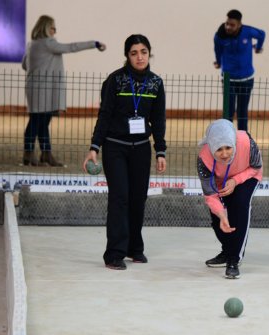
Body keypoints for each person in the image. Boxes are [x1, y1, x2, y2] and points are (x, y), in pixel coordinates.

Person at [82, 34, 167, 270]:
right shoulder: (115, 81)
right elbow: (105, 115)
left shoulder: (156, 84)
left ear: (149, 54)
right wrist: (94, 147)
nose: (139, 57)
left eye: (143, 52)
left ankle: (134, 248)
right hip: (115, 147)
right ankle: (114, 254)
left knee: (138, 199)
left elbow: (158, 120)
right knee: (119, 198)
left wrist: (160, 151)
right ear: (127, 56)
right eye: (134, 53)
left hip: (141, 149)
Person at [22, 15, 106, 167]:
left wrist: (41, 67)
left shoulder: (32, 44)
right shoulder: (49, 43)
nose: (55, 31)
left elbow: (24, 65)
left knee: (40, 122)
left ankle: (45, 154)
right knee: (36, 122)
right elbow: (71, 47)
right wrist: (94, 44)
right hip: (44, 89)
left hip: (34, 87)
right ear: (46, 28)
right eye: (53, 27)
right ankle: (30, 153)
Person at [198, 119, 262, 279]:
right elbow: (210, 194)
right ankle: (227, 251)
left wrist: (235, 181)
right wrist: (221, 214)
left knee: (239, 205)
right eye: (219, 150)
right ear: (211, 147)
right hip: (220, 181)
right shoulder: (203, 159)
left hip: (247, 175)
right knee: (217, 218)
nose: (225, 154)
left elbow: (256, 166)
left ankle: (234, 259)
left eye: (228, 147)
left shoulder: (247, 142)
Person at [213, 9, 265, 131]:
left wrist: (258, 47)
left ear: (239, 25)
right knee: (228, 112)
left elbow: (262, 34)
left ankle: (243, 140)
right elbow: (217, 51)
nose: (228, 27)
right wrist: (219, 62)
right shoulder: (220, 36)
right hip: (228, 80)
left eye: (232, 25)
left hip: (246, 79)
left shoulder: (247, 31)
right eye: (227, 24)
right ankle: (227, 138)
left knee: (242, 113)